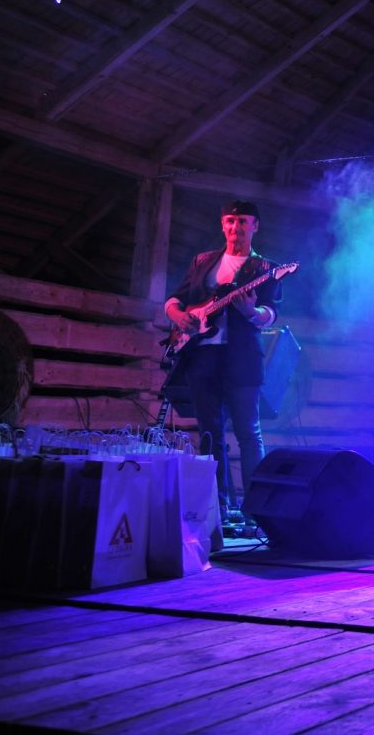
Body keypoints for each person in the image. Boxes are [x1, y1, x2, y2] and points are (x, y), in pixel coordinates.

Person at [164, 201, 282, 521]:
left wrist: (251, 312)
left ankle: (256, 509)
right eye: (230, 221)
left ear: (255, 226)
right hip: (202, 356)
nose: (235, 227)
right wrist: (178, 315)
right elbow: (175, 299)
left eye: (243, 221)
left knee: (248, 433)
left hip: (242, 359)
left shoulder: (265, 268)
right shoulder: (203, 261)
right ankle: (217, 508)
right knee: (209, 434)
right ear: (222, 225)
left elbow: (271, 312)